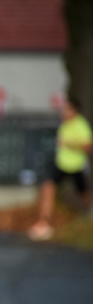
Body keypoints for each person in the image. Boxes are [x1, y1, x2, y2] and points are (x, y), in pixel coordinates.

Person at [28, 97, 92, 241]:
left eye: (67, 109)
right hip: (61, 165)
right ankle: (44, 223)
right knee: (48, 186)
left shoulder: (81, 125)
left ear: (74, 111)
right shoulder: (65, 124)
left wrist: (69, 144)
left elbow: (88, 147)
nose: (63, 111)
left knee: (84, 195)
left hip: (76, 166)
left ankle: (90, 214)